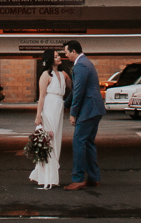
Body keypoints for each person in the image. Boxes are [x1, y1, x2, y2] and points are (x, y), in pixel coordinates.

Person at [61, 39, 105, 189]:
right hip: (95, 108)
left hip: (88, 109)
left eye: (66, 52)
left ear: (73, 51)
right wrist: (65, 105)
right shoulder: (86, 63)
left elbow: (78, 91)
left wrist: (73, 113)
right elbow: (76, 90)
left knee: (79, 142)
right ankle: (94, 178)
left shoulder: (80, 65)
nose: (65, 55)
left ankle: (78, 179)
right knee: (88, 143)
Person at [28, 50, 70, 189]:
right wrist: (38, 116)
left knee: (56, 142)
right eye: (56, 56)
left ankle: (50, 176)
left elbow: (73, 88)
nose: (59, 57)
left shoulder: (64, 75)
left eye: (59, 55)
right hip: (49, 108)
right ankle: (47, 177)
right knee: (49, 141)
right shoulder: (45, 75)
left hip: (59, 107)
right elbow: (42, 97)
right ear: (50, 59)